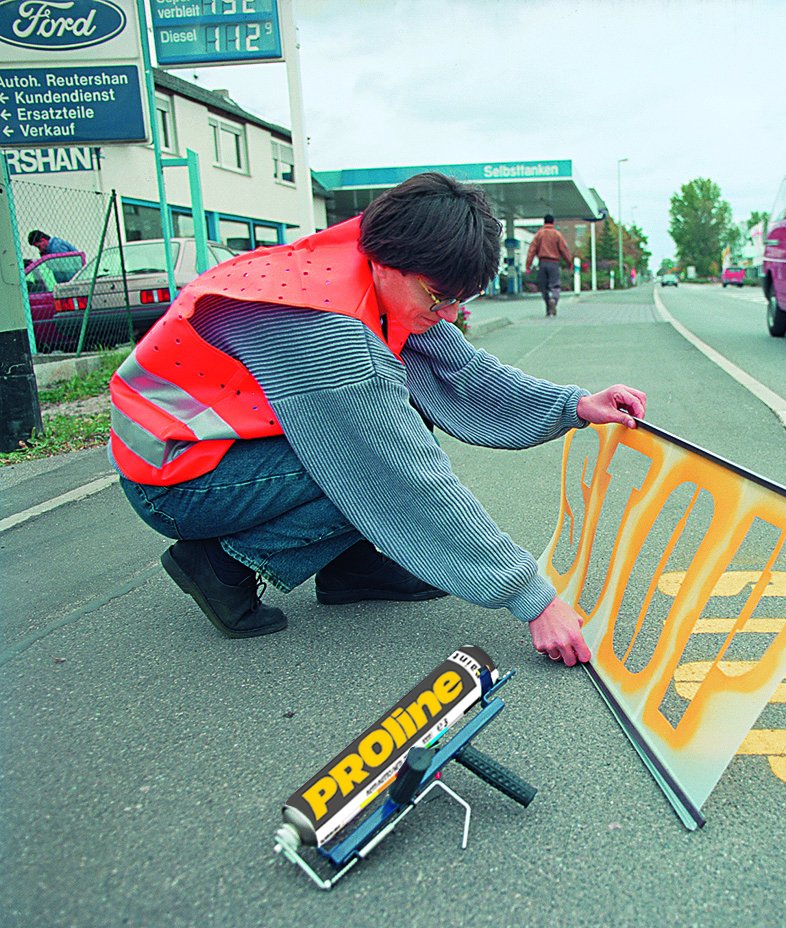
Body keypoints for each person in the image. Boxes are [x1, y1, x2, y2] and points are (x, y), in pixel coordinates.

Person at [109, 172, 645, 667]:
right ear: (390, 263)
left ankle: (355, 567)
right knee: (372, 453)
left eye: (461, 299)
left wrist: (573, 405)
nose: (450, 313)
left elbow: (459, 373)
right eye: (440, 298)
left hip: (212, 452)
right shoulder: (327, 324)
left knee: (396, 414)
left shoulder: (372, 262)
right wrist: (534, 598)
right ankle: (224, 561)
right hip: (175, 482)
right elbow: (400, 474)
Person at [525, 213, 572, 317]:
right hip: (554, 263)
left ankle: (548, 307)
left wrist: (528, 265)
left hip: (542, 262)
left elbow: (531, 250)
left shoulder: (539, 234)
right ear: (553, 222)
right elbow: (564, 249)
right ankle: (553, 300)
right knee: (555, 285)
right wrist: (569, 262)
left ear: (544, 222)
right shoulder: (557, 234)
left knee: (544, 287)